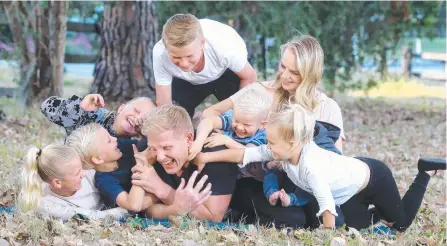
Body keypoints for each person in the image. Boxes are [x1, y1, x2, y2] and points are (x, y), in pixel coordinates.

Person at [195, 103, 446, 231]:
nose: (267, 146)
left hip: (374, 178)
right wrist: (205, 158)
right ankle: (383, 212)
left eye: (272, 141)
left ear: (292, 142)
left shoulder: (310, 167)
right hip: (349, 187)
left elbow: (327, 208)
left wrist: (327, 238)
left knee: (400, 225)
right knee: (354, 226)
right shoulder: (281, 151)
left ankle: (424, 172)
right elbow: (245, 153)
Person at [201, 35, 344, 151]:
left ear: (310, 75)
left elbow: (336, 159)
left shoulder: (328, 108)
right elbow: (209, 112)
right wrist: (222, 136)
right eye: (283, 66)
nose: (284, 75)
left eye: (294, 72)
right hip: (245, 170)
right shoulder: (258, 90)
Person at [131, 105, 239, 222]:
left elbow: (212, 218)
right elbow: (144, 210)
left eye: (167, 147)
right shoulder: (150, 149)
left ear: (188, 139)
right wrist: (176, 209)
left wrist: (163, 190)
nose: (160, 157)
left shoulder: (215, 154)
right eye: (153, 148)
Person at [153, 13, 257, 118]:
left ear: (202, 43)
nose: (184, 64)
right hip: (188, 82)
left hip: (227, 72)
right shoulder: (160, 53)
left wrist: (235, 114)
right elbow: (163, 102)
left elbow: (249, 77)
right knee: (173, 115)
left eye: (189, 56)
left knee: (244, 113)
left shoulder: (225, 47)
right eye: (176, 57)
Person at [19, 144, 127, 221]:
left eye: (82, 167)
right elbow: (93, 217)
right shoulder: (49, 205)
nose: (84, 173)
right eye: (77, 173)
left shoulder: (86, 172)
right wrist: (127, 209)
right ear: (57, 183)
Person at [65, 124, 157, 213]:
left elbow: (145, 146)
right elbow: (134, 206)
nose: (115, 138)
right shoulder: (104, 181)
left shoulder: (120, 146)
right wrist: (142, 165)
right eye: (109, 141)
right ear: (98, 159)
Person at [41, 93, 155, 137]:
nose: (137, 118)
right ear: (121, 108)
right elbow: (46, 106)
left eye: (144, 120)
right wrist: (80, 108)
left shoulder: (135, 147)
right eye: (136, 110)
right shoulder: (94, 115)